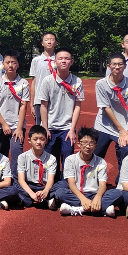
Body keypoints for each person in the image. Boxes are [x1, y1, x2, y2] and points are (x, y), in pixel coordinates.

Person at [53, 127, 122, 217]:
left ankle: (77, 209)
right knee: (60, 193)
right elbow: (71, 184)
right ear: (79, 144)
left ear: (96, 146)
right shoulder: (70, 160)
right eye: (85, 142)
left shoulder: (101, 162)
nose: (88, 146)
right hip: (76, 194)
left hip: (94, 194)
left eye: (91, 143)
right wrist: (83, 199)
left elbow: (102, 184)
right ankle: (102, 209)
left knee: (118, 193)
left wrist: (97, 198)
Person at [37, 47, 84, 179]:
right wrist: (45, 128)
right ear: (55, 62)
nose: (63, 61)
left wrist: (72, 129)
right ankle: (51, 184)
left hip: (67, 128)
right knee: (50, 159)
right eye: (60, 58)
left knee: (68, 157)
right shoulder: (47, 81)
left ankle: (66, 184)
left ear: (71, 62)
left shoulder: (77, 81)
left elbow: (77, 106)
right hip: (50, 127)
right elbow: (43, 106)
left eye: (67, 58)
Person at [94, 53, 128, 179]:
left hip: (125, 125)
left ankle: (122, 182)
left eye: (120, 64)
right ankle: (92, 181)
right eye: (114, 64)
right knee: (95, 153)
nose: (117, 67)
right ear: (109, 66)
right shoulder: (101, 84)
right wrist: (121, 130)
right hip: (104, 125)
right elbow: (106, 108)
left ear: (125, 66)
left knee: (127, 150)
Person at [0, 50, 29, 177]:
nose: (10, 65)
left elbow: (23, 106)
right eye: (7, 62)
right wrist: (4, 124)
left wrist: (19, 127)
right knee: (1, 154)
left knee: (17, 153)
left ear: (18, 64)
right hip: (0, 125)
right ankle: (1, 179)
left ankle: (16, 181)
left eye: (13, 62)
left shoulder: (23, 83)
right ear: (3, 64)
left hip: (17, 126)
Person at [15, 125, 57, 208]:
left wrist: (45, 191)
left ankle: (26, 201)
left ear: (46, 140)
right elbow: (21, 180)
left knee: (61, 186)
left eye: (42, 139)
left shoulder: (51, 158)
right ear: (29, 140)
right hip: (29, 186)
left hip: (44, 186)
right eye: (35, 139)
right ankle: (45, 202)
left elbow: (50, 180)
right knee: (14, 184)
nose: (38, 142)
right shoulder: (22, 157)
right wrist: (31, 193)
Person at [28, 32, 58, 126]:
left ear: (56, 43)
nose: (49, 42)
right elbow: (34, 82)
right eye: (46, 40)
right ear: (42, 43)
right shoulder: (36, 60)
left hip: (56, 99)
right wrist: (32, 104)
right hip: (39, 100)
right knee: (40, 128)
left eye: (52, 39)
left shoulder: (59, 60)